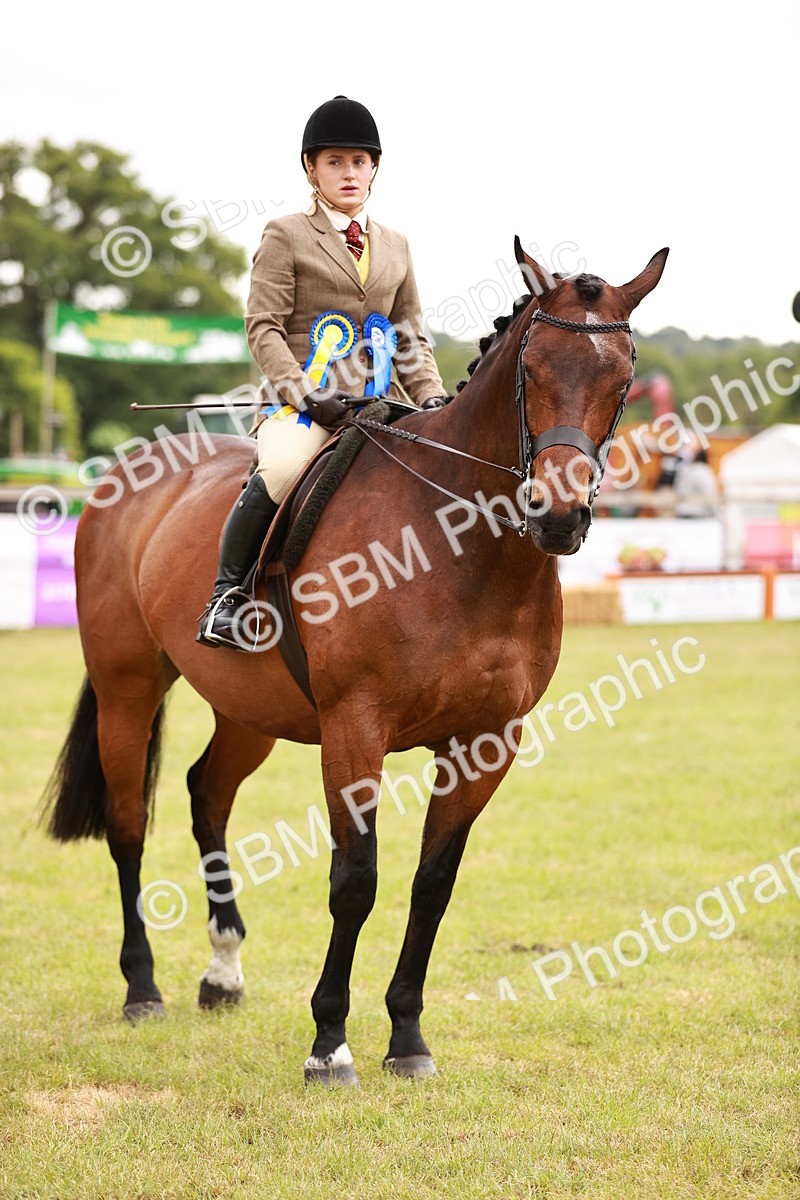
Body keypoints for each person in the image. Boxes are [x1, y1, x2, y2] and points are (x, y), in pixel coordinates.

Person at [197, 96, 449, 649]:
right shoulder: (286, 234)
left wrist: (432, 399)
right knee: (285, 467)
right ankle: (226, 596)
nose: (349, 173)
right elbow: (263, 326)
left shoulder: (396, 245)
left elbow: (408, 335)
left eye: (359, 162)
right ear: (311, 167)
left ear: (374, 168)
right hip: (303, 408)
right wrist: (306, 396)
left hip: (380, 403)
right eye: (335, 161)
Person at [673, 446, 720, 517]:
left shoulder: (686, 470)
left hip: (681, 511)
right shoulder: (703, 471)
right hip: (697, 513)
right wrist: (715, 510)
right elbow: (710, 491)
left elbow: (677, 489)